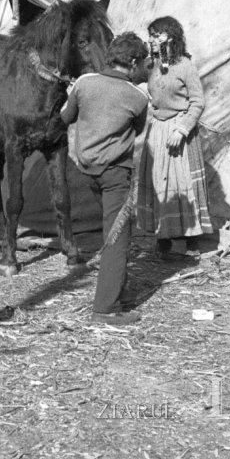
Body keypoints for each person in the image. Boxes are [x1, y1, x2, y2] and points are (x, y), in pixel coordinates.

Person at [61, 32, 149, 326]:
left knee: (111, 232)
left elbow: (66, 117)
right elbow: (136, 130)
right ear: (134, 62)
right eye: (142, 64)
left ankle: (117, 291)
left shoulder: (84, 83)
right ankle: (106, 308)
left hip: (86, 171)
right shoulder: (138, 97)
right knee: (117, 237)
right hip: (115, 174)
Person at [135, 16, 212, 259]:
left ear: (170, 36)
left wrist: (182, 129)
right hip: (157, 130)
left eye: (157, 35)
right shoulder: (151, 66)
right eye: (151, 35)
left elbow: (197, 101)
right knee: (159, 183)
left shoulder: (185, 66)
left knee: (183, 183)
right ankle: (163, 240)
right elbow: (126, 78)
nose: (152, 39)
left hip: (180, 131)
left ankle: (192, 242)